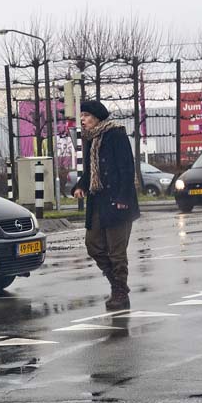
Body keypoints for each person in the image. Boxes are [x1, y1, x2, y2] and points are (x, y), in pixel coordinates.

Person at [72, 100, 140, 310]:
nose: (82, 120)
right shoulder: (91, 139)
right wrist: (80, 186)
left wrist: (122, 198)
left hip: (117, 202)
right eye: (81, 116)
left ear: (97, 116)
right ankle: (117, 285)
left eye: (86, 115)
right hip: (98, 201)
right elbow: (91, 171)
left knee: (116, 251)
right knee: (93, 245)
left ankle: (120, 292)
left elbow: (126, 168)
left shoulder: (116, 135)